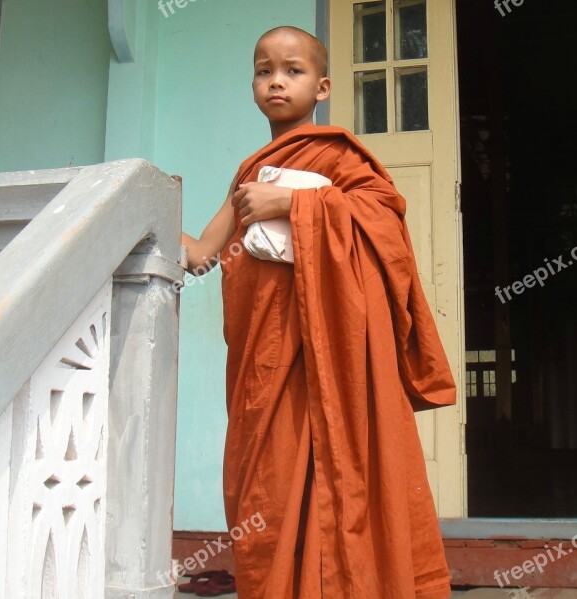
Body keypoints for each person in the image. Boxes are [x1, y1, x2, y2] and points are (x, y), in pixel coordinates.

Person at [182, 26, 456, 599]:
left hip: (328, 357)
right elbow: (204, 255)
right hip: (265, 361)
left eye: (293, 70)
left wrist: (293, 201)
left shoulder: (339, 157)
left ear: (323, 86)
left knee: (338, 472)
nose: (276, 79)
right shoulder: (249, 172)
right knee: (270, 483)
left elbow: (383, 222)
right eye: (263, 70)